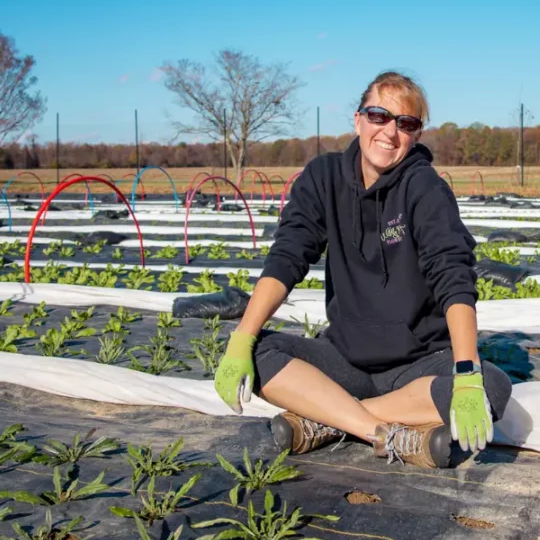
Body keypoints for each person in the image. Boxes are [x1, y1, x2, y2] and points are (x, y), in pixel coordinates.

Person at [213, 71, 511, 469]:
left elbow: (453, 276)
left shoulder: (425, 189)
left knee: (492, 388)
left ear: (416, 135)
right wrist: (241, 338)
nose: (390, 131)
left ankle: (330, 420)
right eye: (378, 116)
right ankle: (380, 432)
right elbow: (287, 257)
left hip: (418, 366)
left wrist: (466, 371)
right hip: (346, 361)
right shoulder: (324, 178)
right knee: (258, 350)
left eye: (406, 124)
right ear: (358, 120)